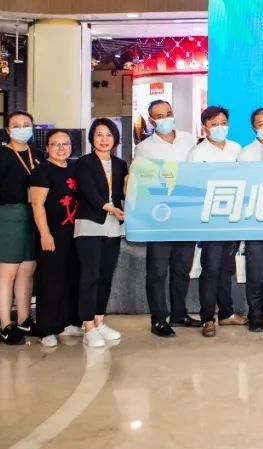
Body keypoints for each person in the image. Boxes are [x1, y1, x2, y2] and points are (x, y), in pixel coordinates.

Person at [134, 99, 199, 337]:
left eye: (168, 113)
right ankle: (159, 319)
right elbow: (141, 182)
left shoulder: (189, 140)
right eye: (159, 116)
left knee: (182, 268)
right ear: (152, 121)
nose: (165, 119)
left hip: (186, 215)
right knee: (157, 272)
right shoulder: (144, 148)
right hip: (159, 217)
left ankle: (179, 313)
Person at [187, 105, 246, 338]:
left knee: (226, 268)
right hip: (209, 219)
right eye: (213, 124)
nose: (219, 127)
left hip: (233, 217)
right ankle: (207, 318)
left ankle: (226, 313)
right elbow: (190, 185)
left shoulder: (236, 149)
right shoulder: (197, 153)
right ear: (205, 127)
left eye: (223, 123)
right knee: (211, 268)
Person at [0, 111, 39, 345]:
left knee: (27, 270)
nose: (22, 128)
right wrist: (3, 216)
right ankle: (6, 325)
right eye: (17, 125)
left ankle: (24, 319)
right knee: (7, 273)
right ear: (8, 130)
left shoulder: (36, 153)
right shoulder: (1, 158)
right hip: (9, 214)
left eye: (26, 124)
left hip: (32, 215)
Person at [75, 118, 129, 348]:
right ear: (92, 138)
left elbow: (124, 193)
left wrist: (131, 184)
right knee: (90, 276)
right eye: (99, 135)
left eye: (108, 135)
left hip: (113, 226)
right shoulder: (84, 162)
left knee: (106, 276)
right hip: (89, 224)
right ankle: (87, 326)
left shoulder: (120, 164)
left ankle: (99, 321)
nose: (104, 139)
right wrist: (109, 207)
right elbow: (87, 191)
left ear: (115, 139)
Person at [29, 129, 83, 347]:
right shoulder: (42, 171)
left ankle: (68, 322)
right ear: (47, 148)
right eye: (56, 144)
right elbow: (37, 204)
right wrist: (45, 233)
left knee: (71, 277)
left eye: (65, 144)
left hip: (74, 233)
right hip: (52, 233)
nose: (61, 148)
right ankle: (47, 328)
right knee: (51, 279)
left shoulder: (74, 167)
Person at [237, 107, 263, 333]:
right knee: (256, 272)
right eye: (260, 124)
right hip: (255, 221)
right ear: (253, 128)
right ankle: (256, 314)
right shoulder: (245, 154)